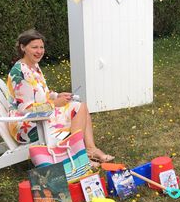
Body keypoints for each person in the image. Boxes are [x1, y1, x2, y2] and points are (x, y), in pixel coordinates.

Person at [7, 29, 114, 164]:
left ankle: (90, 149)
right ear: (23, 47)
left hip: (40, 116)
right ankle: (78, 156)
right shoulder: (20, 73)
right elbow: (25, 109)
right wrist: (55, 103)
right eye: (34, 47)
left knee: (82, 106)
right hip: (27, 125)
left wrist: (57, 95)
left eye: (41, 47)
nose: (39, 51)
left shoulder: (33, 66)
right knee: (78, 109)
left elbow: (40, 93)